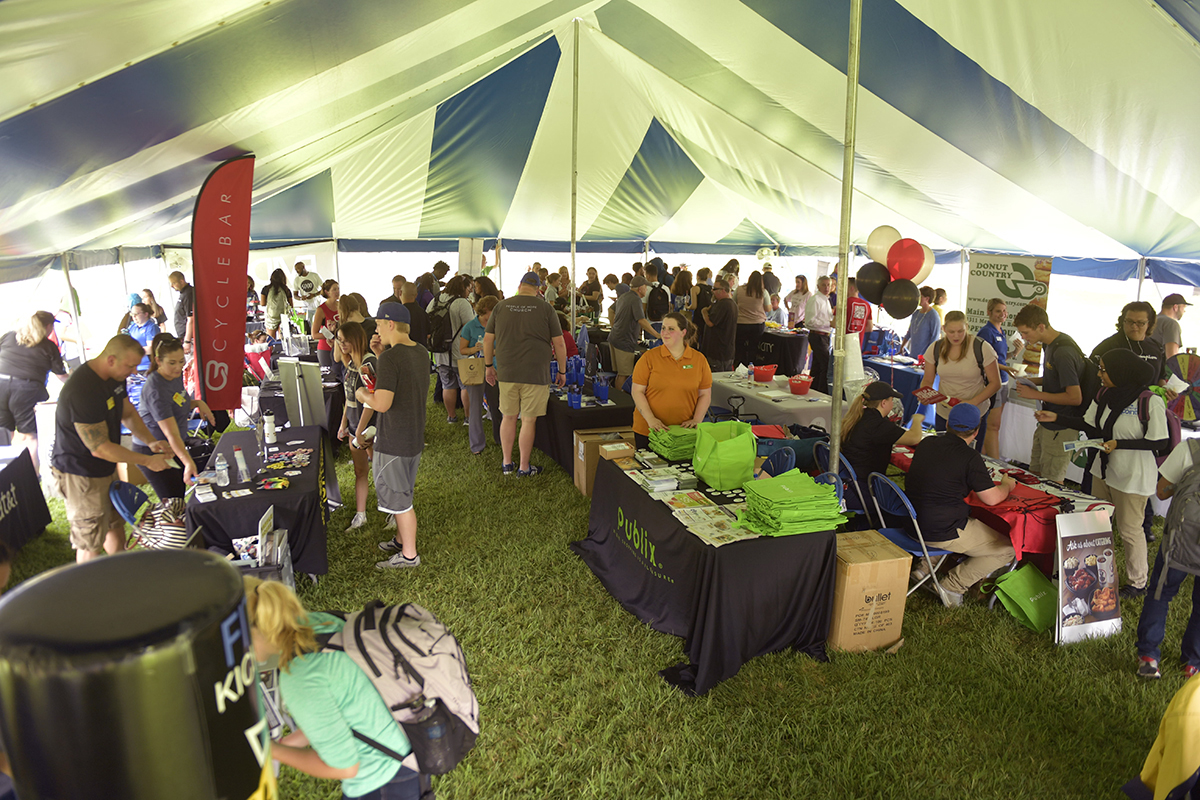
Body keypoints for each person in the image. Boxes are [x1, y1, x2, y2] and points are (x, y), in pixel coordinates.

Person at [245, 576, 421, 799]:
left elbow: (344, 768)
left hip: (380, 781)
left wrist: (272, 750)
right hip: (404, 752)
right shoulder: (319, 623)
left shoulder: (300, 676)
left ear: (253, 632)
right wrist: (285, 743)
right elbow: (338, 706)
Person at [1036, 350, 1166, 598]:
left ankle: (1137, 583)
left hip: (1132, 476)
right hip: (1103, 470)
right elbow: (1089, 424)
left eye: (1104, 369)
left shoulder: (1148, 400)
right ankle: (1093, 573)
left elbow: (1159, 440)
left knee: (1129, 530)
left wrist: (1119, 444)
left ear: (1121, 370)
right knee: (1097, 524)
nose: (1099, 374)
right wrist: (1056, 416)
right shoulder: (1104, 394)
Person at [50, 334, 171, 563]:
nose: (134, 371)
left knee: (115, 524)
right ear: (111, 359)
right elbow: (99, 447)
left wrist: (150, 441)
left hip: (104, 466)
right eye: (130, 365)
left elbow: (127, 413)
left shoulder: (115, 377)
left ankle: (121, 575)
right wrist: (146, 460)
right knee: (90, 538)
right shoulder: (83, 390)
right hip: (81, 473)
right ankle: (86, 594)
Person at [903, 403, 1017, 606]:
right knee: (1008, 549)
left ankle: (925, 568)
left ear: (947, 424)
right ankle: (952, 585)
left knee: (954, 514)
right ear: (976, 432)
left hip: (912, 523)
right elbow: (991, 498)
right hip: (940, 531)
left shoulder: (927, 443)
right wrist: (1007, 486)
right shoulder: (970, 457)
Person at [356, 303, 430, 569]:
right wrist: (380, 354)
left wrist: (362, 394)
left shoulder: (391, 358)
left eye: (377, 325)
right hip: (412, 436)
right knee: (404, 491)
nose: (375, 331)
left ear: (389, 324)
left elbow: (383, 403)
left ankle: (409, 555)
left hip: (394, 440)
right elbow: (403, 381)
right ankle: (401, 540)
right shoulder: (420, 351)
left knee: (399, 500)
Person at [482, 272, 566, 477]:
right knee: (528, 420)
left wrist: (488, 366)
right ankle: (524, 467)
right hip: (535, 372)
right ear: (538, 289)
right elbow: (560, 343)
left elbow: (487, 340)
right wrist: (562, 370)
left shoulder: (501, 306)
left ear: (520, 285)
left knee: (508, 417)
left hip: (507, 370)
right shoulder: (546, 308)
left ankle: (507, 463)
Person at [1137, 436, 1200, 679]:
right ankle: (1192, 663)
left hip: (1179, 541)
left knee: (1160, 594)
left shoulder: (1189, 449)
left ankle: (1148, 657)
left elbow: (1162, 492)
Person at [133, 333, 216, 500]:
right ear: (158, 361)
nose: (178, 367)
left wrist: (198, 403)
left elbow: (180, 401)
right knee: (173, 502)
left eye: (181, 361)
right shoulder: (156, 390)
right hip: (153, 450)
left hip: (172, 445)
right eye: (172, 363)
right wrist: (187, 461)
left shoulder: (173, 376)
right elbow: (171, 433)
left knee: (179, 496)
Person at [1013, 304, 1087, 481]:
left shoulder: (1063, 351)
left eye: (1026, 333)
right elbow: (1056, 379)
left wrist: (1036, 394)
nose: (1023, 338)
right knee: (1035, 473)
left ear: (1041, 327)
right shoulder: (1050, 345)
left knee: (1052, 481)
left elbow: (1075, 397)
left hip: (1061, 426)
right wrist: (1032, 381)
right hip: (1047, 421)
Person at [630, 313, 712, 449]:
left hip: (682, 433)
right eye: (663, 328)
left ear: (683, 332)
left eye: (671, 329)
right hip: (649, 430)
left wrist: (697, 420)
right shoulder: (648, 358)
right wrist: (651, 419)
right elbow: (637, 391)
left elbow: (705, 394)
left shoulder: (699, 360)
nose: (665, 333)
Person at [919, 310, 1001, 448]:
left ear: (967, 327)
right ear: (944, 329)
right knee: (943, 453)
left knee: (969, 455)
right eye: (951, 332)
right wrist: (925, 393)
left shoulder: (982, 347)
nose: (956, 336)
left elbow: (995, 383)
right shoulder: (935, 348)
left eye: (960, 331)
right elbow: (928, 379)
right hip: (945, 413)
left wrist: (970, 403)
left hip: (974, 412)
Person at [0, 311, 68, 472]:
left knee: (3, 434)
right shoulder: (48, 346)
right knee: (29, 437)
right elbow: (61, 376)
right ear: (48, 326)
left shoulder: (9, 336)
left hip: (0, 384)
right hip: (26, 390)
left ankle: (4, 479)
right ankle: (32, 479)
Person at [839, 381, 925, 500]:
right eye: (891, 400)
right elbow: (914, 438)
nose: (892, 404)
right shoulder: (878, 425)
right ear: (884, 403)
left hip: (849, 480)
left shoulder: (859, 416)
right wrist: (917, 419)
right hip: (864, 488)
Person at [336, 321, 377, 532]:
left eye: (345, 340)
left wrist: (359, 431)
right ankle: (361, 516)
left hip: (370, 428)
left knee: (380, 471)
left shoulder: (368, 364)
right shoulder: (351, 364)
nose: (341, 344)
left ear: (356, 339)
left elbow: (371, 401)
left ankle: (393, 513)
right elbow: (349, 398)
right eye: (339, 340)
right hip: (355, 427)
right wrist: (344, 424)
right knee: (361, 471)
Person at [427, 275, 475, 425]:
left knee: (447, 385)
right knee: (465, 386)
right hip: (460, 351)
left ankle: (451, 417)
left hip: (440, 352)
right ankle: (468, 418)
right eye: (469, 288)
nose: (470, 291)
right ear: (463, 288)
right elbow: (470, 326)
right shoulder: (461, 303)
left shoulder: (435, 300)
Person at [1091, 301, 1167, 387]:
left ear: (1149, 324)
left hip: (1149, 399)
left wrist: (1166, 391)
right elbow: (1092, 378)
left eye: (1140, 323)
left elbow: (1161, 378)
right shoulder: (1108, 346)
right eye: (1129, 321)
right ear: (1122, 321)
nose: (1134, 326)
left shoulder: (1156, 347)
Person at [459, 296, 498, 456]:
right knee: (475, 407)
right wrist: (474, 349)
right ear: (483, 311)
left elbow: (502, 346)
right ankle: (476, 445)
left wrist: (491, 351)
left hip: (495, 369)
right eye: (491, 312)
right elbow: (462, 350)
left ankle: (500, 438)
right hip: (475, 370)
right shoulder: (470, 327)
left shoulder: (498, 325)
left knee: (497, 406)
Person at [608, 276, 661, 390]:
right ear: (640, 288)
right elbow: (641, 320)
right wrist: (657, 334)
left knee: (620, 373)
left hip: (614, 337)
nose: (646, 290)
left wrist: (614, 326)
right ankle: (621, 402)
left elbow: (610, 310)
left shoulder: (624, 296)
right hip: (624, 341)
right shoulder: (636, 299)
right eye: (646, 287)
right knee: (624, 374)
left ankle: (619, 399)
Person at [977, 298, 1012, 459]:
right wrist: (1006, 368)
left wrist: (1015, 354)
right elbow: (985, 360)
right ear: (989, 312)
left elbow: (1001, 358)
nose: (1002, 314)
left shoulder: (1001, 331)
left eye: (1004, 311)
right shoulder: (986, 332)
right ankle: (995, 462)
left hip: (1004, 380)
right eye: (998, 311)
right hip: (993, 382)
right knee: (993, 425)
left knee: (994, 425)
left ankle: (984, 456)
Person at [700, 278, 737, 372]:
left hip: (718, 351)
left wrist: (704, 312)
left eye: (715, 289)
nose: (712, 291)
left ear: (723, 290)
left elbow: (710, 322)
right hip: (726, 351)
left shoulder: (723, 304)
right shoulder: (732, 304)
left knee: (715, 382)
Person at [804, 276, 834, 394]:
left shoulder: (826, 300)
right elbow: (809, 321)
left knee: (817, 365)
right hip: (818, 335)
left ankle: (813, 389)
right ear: (818, 286)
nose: (827, 287)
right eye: (824, 285)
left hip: (825, 335)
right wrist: (829, 322)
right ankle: (822, 391)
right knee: (825, 364)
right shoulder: (815, 299)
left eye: (828, 285)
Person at [734, 270, 770, 367]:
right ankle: (750, 369)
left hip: (741, 323)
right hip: (757, 324)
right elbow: (768, 308)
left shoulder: (739, 289)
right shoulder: (763, 292)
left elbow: (734, 303)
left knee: (739, 348)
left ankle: (738, 368)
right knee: (753, 348)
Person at [902, 286, 940, 359]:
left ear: (927, 298)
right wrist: (902, 346)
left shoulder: (933, 315)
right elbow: (909, 332)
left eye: (920, 296)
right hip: (912, 354)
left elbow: (934, 338)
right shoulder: (916, 313)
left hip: (924, 357)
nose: (918, 298)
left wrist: (928, 356)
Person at [1149, 293, 1190, 360]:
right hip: (1161, 368)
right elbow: (1172, 356)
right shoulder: (1171, 324)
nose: (1184, 311)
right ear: (1175, 307)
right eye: (1183, 307)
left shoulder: (1151, 320)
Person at [312, 280, 341, 368]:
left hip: (340, 346)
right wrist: (331, 334)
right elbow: (314, 334)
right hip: (326, 348)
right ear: (327, 292)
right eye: (334, 289)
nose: (337, 292)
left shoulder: (341, 305)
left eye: (338, 289)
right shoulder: (321, 310)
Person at [122, 303, 159, 372]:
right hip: (135, 367)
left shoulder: (151, 327)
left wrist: (134, 351)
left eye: (136, 314)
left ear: (145, 314)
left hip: (148, 367)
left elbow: (151, 349)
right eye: (132, 314)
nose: (134, 316)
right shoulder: (133, 327)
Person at [261, 268, 294, 340]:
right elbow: (291, 305)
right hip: (284, 317)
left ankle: (270, 351)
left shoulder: (266, 289)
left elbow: (262, 303)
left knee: (270, 340)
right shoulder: (286, 289)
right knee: (283, 339)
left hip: (271, 318)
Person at [167, 271, 195, 350]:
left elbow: (191, 318)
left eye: (174, 283)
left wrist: (187, 341)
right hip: (184, 336)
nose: (172, 286)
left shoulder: (188, 294)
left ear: (182, 281)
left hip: (189, 338)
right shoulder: (184, 294)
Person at [398, 282, 430, 350]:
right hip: (422, 352)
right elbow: (428, 335)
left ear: (400, 293)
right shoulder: (423, 313)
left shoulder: (398, 314)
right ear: (416, 295)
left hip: (404, 352)